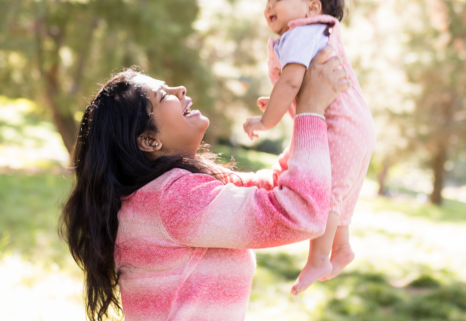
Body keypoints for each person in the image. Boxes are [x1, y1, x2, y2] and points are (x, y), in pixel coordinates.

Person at [60, 45, 349, 321]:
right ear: (149, 140)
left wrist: (307, 116)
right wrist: (312, 111)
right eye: (163, 96)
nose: (179, 89)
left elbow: (271, 185)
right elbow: (299, 212)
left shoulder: (158, 194)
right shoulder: (174, 199)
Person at [241, 0, 375, 295]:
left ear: (313, 7)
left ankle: (318, 259)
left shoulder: (302, 32)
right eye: (267, 1)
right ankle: (341, 248)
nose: (269, 5)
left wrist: (266, 120)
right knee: (340, 189)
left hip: (340, 126)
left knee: (328, 190)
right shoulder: (314, 32)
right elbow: (296, 85)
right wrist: (278, 101)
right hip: (355, 124)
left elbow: (290, 82)